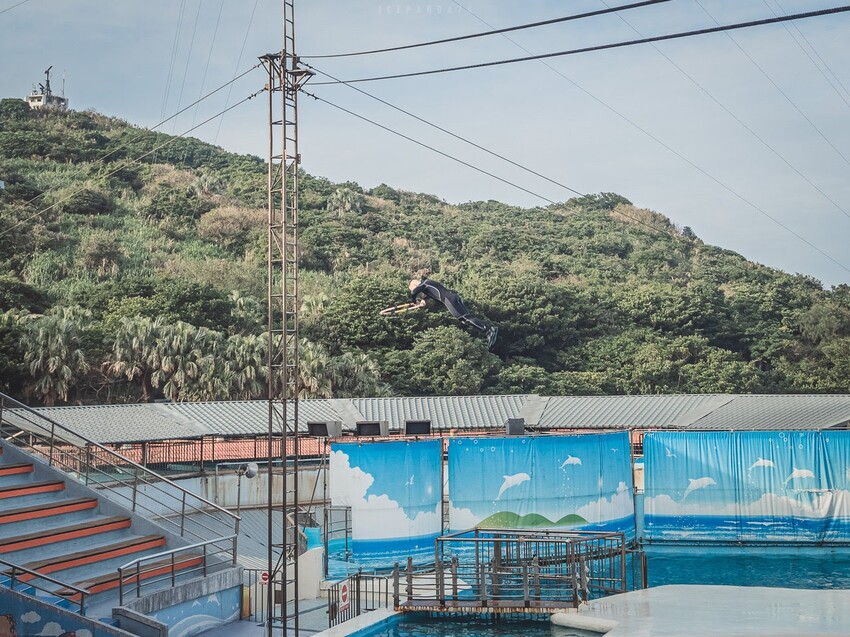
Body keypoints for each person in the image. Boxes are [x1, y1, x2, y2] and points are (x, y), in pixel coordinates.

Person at [408, 277, 498, 350]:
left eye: (413, 287)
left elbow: (414, 292)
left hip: (448, 299)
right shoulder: (427, 284)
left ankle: (488, 330)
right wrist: (424, 300)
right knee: (466, 318)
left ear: (415, 285)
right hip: (452, 297)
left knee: (464, 318)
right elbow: (432, 293)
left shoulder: (424, 283)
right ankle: (488, 329)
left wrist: (414, 300)